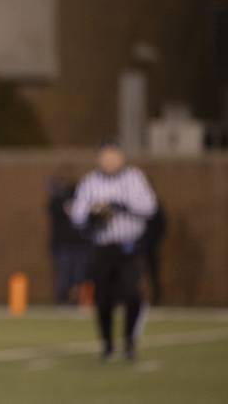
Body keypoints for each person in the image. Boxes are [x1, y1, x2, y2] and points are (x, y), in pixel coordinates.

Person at [70, 140, 157, 361]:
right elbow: (77, 214)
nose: (109, 161)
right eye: (105, 156)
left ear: (121, 157)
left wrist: (123, 207)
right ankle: (107, 345)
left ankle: (129, 341)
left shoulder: (134, 178)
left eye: (113, 156)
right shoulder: (90, 181)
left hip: (128, 246)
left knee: (132, 295)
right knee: (103, 298)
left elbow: (150, 207)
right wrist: (92, 217)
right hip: (102, 247)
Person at [47, 175, 91, 304]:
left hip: (80, 244)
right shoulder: (57, 202)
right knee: (64, 274)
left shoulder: (84, 202)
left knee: (80, 275)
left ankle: (78, 300)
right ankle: (62, 300)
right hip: (64, 245)